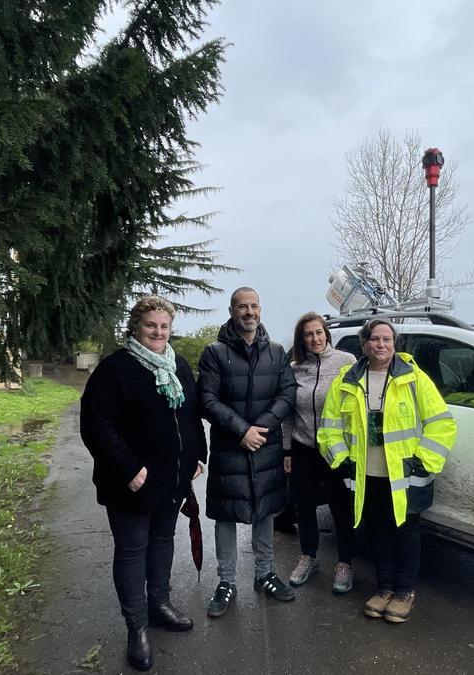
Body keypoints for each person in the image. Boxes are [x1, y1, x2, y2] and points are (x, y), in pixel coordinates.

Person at [79, 296, 206, 672]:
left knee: (163, 542)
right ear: (136, 326)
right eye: (152, 325)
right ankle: (136, 628)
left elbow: (191, 415)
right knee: (133, 550)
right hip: (130, 483)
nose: (158, 331)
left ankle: (159, 605)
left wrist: (198, 455)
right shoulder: (115, 369)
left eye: (164, 326)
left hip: (172, 479)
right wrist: (129, 469)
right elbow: (97, 427)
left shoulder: (178, 365)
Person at [318, 319, 456, 623]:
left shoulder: (414, 379)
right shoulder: (347, 380)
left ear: (394, 344)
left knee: (405, 532)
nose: (381, 345)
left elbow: (442, 422)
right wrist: (342, 460)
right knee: (378, 530)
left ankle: (404, 591)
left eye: (387, 340)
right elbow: (329, 428)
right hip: (367, 474)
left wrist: (423, 460)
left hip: (405, 475)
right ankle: (384, 588)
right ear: (364, 344)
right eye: (375, 339)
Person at [197, 287, 297, 617]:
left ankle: (265, 574)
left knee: (264, 510)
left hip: (264, 445)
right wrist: (242, 430)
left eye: (254, 305)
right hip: (230, 446)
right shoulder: (215, 352)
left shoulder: (277, 352)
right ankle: (226, 581)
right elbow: (207, 400)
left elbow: (287, 394)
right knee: (227, 514)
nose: (249, 312)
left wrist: (260, 429)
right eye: (243, 306)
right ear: (232, 310)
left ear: (260, 309)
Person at [282, 312, 358, 593]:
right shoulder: (294, 368)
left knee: (341, 507)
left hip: (337, 448)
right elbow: (288, 414)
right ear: (301, 339)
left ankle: (345, 564)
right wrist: (287, 450)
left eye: (318, 332)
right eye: (308, 334)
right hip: (303, 447)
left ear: (326, 333)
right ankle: (308, 557)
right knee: (304, 505)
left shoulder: (346, 362)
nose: (314, 338)